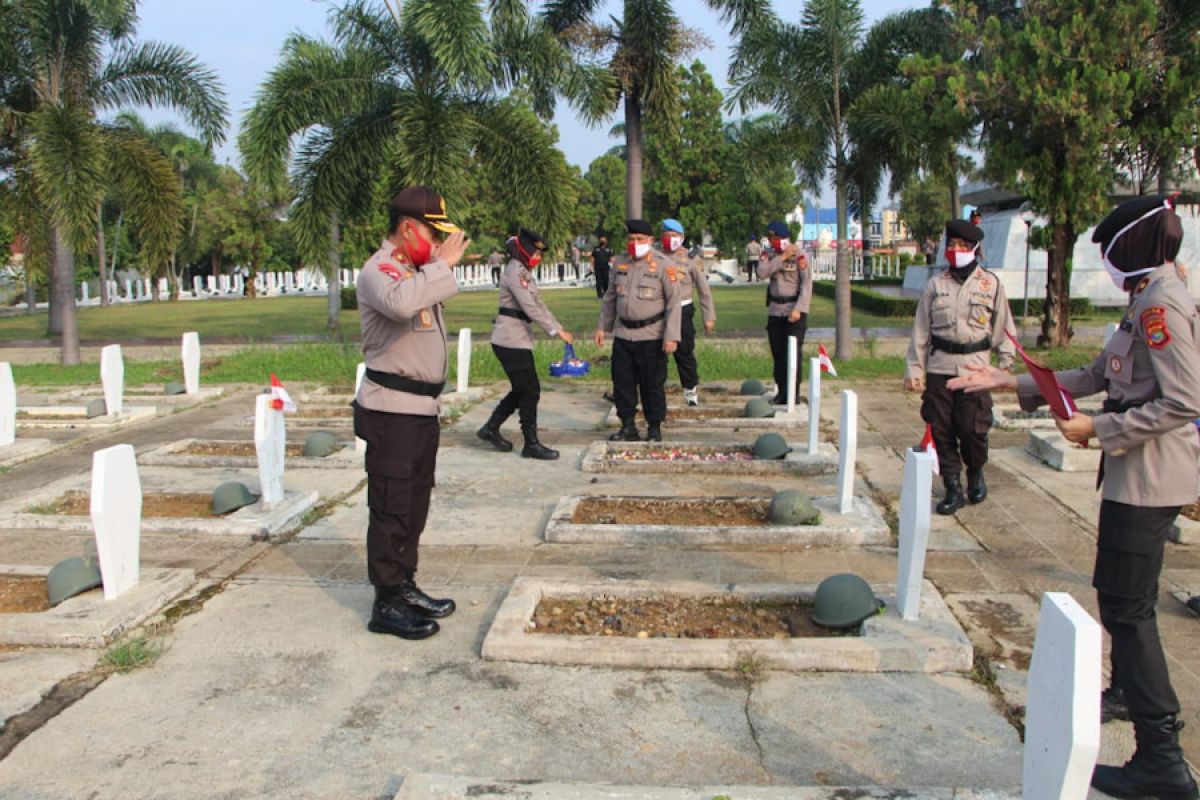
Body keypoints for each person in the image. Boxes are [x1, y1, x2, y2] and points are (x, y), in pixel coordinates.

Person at [949, 195, 1200, 800]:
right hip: (1132, 477)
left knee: (1128, 609)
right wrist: (1008, 380)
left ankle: (1161, 761)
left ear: (1130, 248)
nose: (1105, 262)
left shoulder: (1162, 302)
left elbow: (1184, 399)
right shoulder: (1146, 296)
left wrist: (1099, 431)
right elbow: (1098, 375)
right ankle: (1137, 701)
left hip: (1149, 479)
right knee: (1122, 603)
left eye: (1108, 249)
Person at [353, 185, 468, 641]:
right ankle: (386, 601)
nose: (437, 245)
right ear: (406, 228)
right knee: (391, 505)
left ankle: (404, 585)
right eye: (430, 233)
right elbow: (401, 304)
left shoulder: (414, 273)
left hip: (421, 410)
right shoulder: (379, 271)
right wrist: (442, 266)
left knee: (415, 503)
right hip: (391, 411)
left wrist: (433, 266)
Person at [905, 218, 1014, 515]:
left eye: (962, 246)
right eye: (951, 245)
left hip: (975, 369)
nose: (955, 250)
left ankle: (975, 470)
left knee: (972, 428)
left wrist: (1005, 364)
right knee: (940, 429)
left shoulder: (990, 284)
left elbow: (1004, 326)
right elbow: (921, 331)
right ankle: (952, 486)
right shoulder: (935, 285)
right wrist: (915, 370)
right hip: (940, 367)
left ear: (975, 249)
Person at [476, 228, 572, 460]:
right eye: (535, 252)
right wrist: (553, 331)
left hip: (518, 338)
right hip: (509, 340)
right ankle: (531, 443)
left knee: (523, 389)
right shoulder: (514, 271)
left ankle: (490, 428)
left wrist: (559, 327)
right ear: (524, 250)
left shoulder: (525, 273)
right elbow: (529, 307)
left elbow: (539, 304)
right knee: (530, 390)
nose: (538, 257)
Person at [594, 219, 681, 442]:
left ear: (650, 240)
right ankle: (628, 427)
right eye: (631, 239)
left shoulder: (664, 265)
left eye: (640, 239)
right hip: (623, 334)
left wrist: (671, 336)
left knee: (652, 384)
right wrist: (603, 326)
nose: (635, 243)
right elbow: (610, 298)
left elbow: (674, 303)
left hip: (652, 334)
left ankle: (654, 427)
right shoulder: (620, 263)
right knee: (622, 383)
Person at [658, 219, 716, 406]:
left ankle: (690, 389)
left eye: (674, 236)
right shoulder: (654, 255)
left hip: (683, 309)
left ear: (682, 237)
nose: (670, 239)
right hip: (658, 311)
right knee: (655, 354)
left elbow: (704, 289)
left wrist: (708, 317)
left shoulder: (691, 259)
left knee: (684, 352)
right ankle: (654, 390)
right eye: (666, 235)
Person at [758, 221, 812, 405]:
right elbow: (762, 273)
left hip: (794, 311)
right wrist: (781, 258)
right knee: (778, 353)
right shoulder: (768, 255)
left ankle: (793, 394)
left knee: (793, 354)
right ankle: (781, 392)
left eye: (778, 238)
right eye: (772, 238)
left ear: (785, 238)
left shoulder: (800, 256)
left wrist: (799, 309)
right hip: (775, 310)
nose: (774, 241)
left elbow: (806, 285)